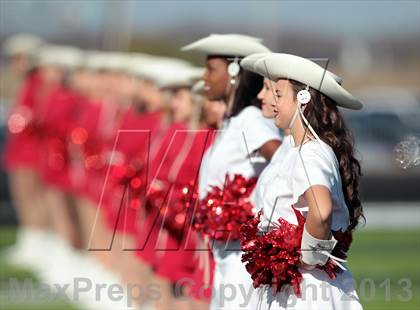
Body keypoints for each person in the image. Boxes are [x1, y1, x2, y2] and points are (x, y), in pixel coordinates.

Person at [239, 52, 363, 309]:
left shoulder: (311, 151)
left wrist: (307, 258)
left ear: (303, 99)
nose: (270, 100)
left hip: (307, 291)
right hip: (296, 288)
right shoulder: (299, 150)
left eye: (279, 94)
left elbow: (321, 210)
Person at [182, 34, 282, 309]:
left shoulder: (250, 119)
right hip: (225, 256)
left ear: (234, 70)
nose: (205, 77)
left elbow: (285, 162)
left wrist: (257, 207)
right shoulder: (232, 122)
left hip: (242, 260)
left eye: (211, 69)